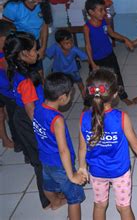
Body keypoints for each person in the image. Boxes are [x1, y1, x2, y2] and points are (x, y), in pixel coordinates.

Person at [78, 68, 137, 220]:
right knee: (123, 207)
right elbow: (136, 145)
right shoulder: (121, 118)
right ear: (114, 95)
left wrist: (81, 168)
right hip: (120, 171)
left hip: (96, 171)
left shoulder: (83, 118)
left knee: (99, 205)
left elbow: (82, 148)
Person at [4, 31, 50, 208]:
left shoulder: (17, 71)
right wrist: (42, 131)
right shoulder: (26, 81)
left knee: (38, 158)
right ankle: (47, 200)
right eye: (35, 49)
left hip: (20, 116)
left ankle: (50, 193)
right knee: (40, 161)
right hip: (28, 120)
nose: (37, 52)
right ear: (24, 54)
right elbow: (31, 110)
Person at [33, 73, 87, 220]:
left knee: (48, 186)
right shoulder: (57, 119)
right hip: (59, 164)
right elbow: (63, 150)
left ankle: (55, 202)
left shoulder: (37, 107)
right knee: (74, 198)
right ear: (62, 97)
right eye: (70, 94)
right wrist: (72, 175)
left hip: (44, 160)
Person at [83, 0, 134, 105]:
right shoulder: (87, 27)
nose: (103, 13)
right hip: (96, 60)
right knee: (94, 82)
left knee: (117, 76)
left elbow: (111, 33)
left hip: (109, 55)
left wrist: (125, 39)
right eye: (100, 10)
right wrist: (92, 63)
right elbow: (88, 46)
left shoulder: (104, 22)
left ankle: (123, 96)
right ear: (91, 12)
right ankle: (89, 103)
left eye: (104, 10)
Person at [2, 0, 53, 73]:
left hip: (35, 44)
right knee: (23, 77)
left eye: (39, 1)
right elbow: (4, 30)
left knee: (39, 74)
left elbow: (44, 26)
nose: (36, 4)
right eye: (32, 1)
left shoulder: (42, 5)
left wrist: (42, 48)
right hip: (19, 45)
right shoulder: (13, 7)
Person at [45, 29, 88, 105]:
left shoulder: (74, 49)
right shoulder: (55, 47)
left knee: (80, 84)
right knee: (57, 88)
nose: (70, 45)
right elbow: (47, 53)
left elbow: (85, 57)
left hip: (72, 71)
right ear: (59, 44)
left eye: (71, 41)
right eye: (66, 43)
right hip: (58, 72)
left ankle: (85, 99)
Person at [0, 20, 17, 149]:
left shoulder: (7, 52)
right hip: (4, 89)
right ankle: (5, 139)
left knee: (9, 114)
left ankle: (14, 138)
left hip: (7, 90)